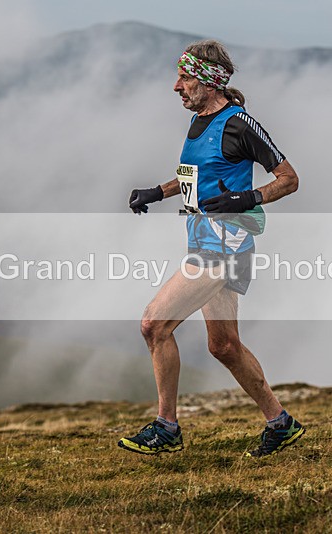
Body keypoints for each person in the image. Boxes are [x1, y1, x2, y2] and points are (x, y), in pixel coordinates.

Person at [119, 40, 303, 458]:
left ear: (208, 80)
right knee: (224, 347)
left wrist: (248, 199)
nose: (175, 86)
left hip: (224, 247)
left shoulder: (239, 123)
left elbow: (289, 179)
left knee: (154, 325)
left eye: (183, 77)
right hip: (204, 239)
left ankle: (167, 426)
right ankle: (280, 422)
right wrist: (158, 191)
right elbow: (196, 179)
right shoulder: (200, 121)